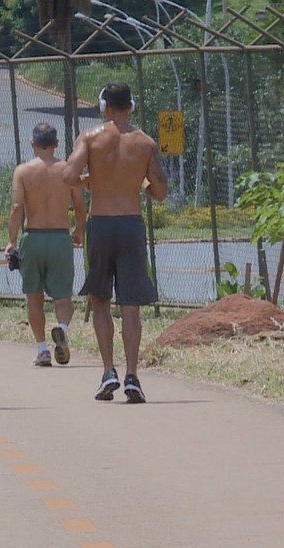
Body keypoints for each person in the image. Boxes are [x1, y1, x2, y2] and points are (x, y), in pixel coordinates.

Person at [62, 82, 168, 403]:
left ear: (104, 106)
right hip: (131, 225)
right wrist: (140, 184)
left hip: (101, 224)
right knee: (130, 304)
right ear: (131, 106)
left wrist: (90, 180)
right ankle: (132, 375)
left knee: (100, 300)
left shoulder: (90, 137)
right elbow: (160, 191)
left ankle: (108, 370)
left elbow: (68, 175)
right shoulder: (146, 142)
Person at [6, 122, 87, 367]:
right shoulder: (67, 170)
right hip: (60, 236)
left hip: (33, 237)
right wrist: (79, 229)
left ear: (32, 143)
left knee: (34, 297)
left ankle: (42, 349)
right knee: (63, 298)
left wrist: (11, 241)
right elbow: (81, 206)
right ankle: (61, 328)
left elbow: (16, 208)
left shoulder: (23, 171)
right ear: (56, 144)